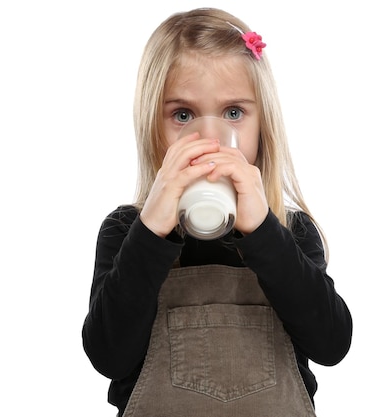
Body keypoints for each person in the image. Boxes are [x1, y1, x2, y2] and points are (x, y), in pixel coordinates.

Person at [82, 7, 352, 417]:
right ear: (152, 127)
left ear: (264, 126)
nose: (209, 139)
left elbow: (332, 344)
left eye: (232, 114)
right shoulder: (125, 231)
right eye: (183, 116)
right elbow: (107, 355)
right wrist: (151, 231)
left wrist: (263, 232)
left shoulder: (290, 230)